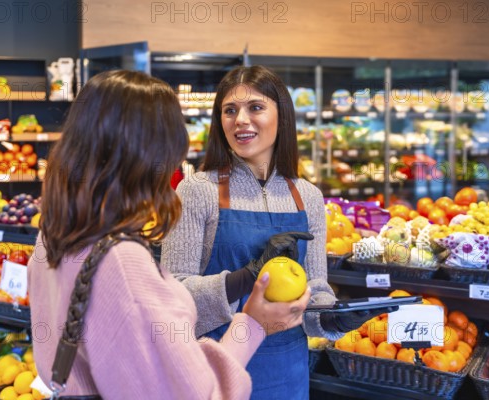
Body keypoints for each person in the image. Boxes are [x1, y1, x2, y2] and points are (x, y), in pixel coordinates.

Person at [27, 70, 311, 399]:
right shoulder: (123, 262)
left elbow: (151, 370)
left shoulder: (53, 236)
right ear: (149, 154)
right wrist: (253, 324)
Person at [161, 66, 384, 399]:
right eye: (230, 110)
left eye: (255, 107)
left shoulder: (307, 196)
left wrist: (336, 319)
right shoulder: (198, 190)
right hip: (217, 367)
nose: (240, 120)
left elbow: (315, 289)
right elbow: (173, 297)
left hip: (288, 370)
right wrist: (247, 276)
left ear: (282, 115)